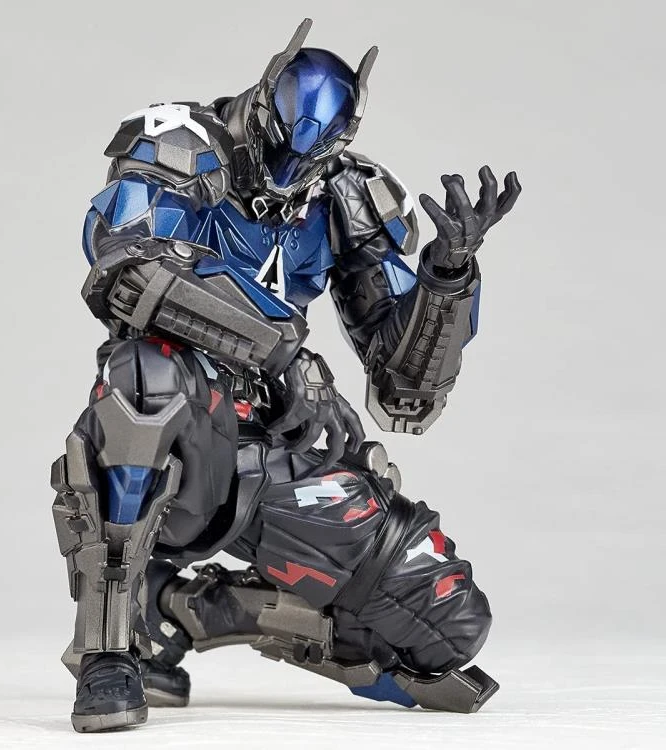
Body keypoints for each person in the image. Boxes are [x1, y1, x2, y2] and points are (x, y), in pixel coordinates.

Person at [51, 18, 521, 732]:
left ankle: (182, 608)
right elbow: (127, 266)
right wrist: (281, 351)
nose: (284, 175)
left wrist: (445, 281)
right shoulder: (177, 142)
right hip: (187, 442)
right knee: (144, 379)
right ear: (263, 99)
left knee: (450, 623)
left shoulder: (348, 194)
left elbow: (404, 391)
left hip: (284, 443)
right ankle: (108, 652)